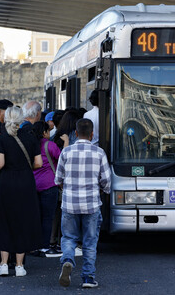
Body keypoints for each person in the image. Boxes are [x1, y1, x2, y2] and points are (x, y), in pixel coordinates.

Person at [0, 106, 43, 277]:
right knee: (22, 222)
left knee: (5, 221)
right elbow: (38, 163)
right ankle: (19, 266)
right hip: (26, 182)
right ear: (22, 119)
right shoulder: (31, 138)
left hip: (7, 182)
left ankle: (4, 264)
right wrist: (24, 167)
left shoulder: (3, 139)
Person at [55, 118, 111, 288]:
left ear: (76, 133)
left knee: (69, 237)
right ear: (92, 134)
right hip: (91, 204)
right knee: (90, 241)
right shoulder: (99, 152)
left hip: (70, 203)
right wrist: (102, 190)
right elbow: (107, 181)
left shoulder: (66, 152)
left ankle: (68, 260)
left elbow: (58, 179)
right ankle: (87, 278)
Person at [32, 121, 68, 257]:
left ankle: (34, 245)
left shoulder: (33, 145)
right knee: (48, 217)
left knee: (36, 216)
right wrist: (66, 143)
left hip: (34, 185)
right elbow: (63, 159)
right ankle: (45, 246)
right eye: (48, 131)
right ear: (44, 132)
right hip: (49, 184)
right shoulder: (49, 145)